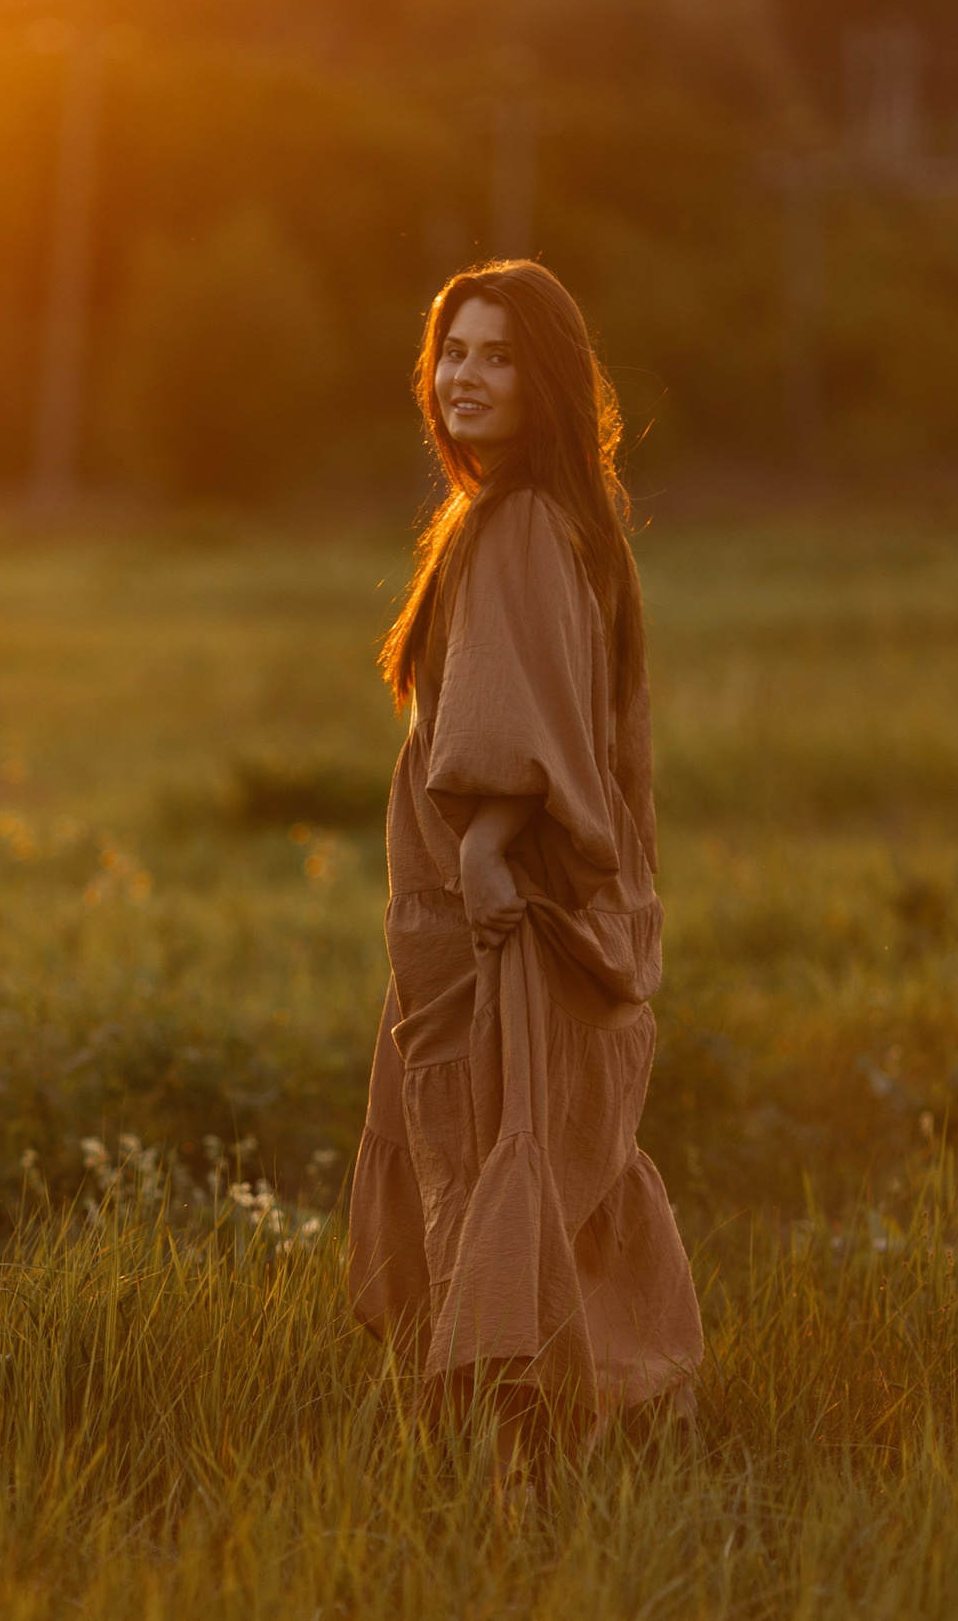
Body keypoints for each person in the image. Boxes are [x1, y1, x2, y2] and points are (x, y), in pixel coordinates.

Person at [344, 260, 702, 1486]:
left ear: (544, 377)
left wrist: (490, 848)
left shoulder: (515, 526)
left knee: (509, 1170)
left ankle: (521, 1488)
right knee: (541, 1174)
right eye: (451, 352)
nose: (464, 377)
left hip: (504, 916)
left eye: (496, 355)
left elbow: (516, 722)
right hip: (534, 915)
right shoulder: (558, 517)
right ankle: (563, 1468)